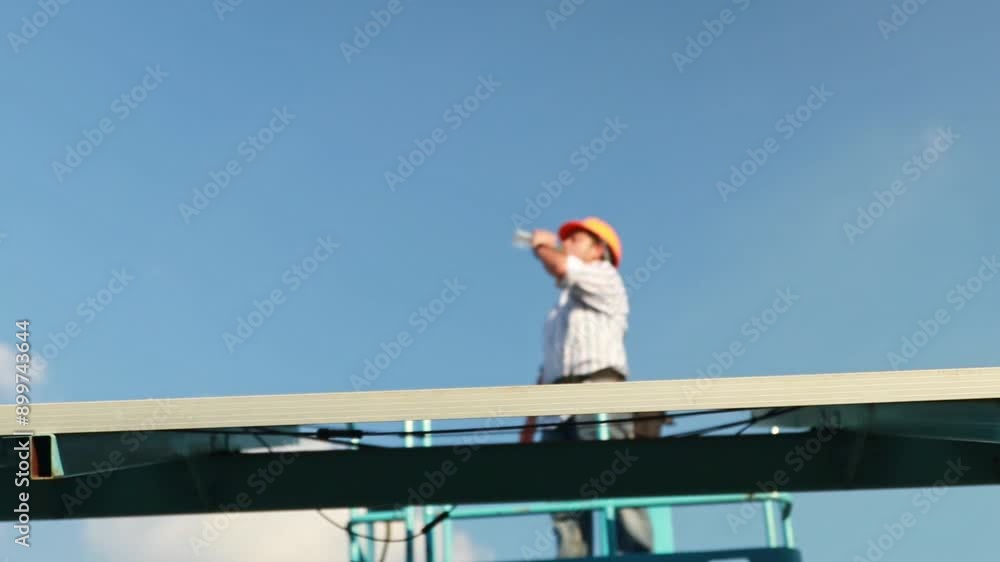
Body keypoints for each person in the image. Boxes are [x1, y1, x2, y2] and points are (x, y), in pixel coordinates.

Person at [521, 216, 654, 557]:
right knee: (565, 496)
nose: (567, 244)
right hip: (559, 402)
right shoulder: (559, 311)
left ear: (599, 250)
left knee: (616, 481)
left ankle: (637, 554)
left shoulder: (604, 278)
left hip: (599, 391)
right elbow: (546, 370)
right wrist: (528, 426)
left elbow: (564, 269)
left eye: (576, 239)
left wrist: (541, 246)